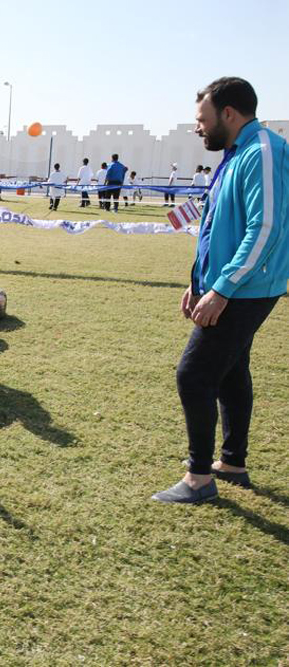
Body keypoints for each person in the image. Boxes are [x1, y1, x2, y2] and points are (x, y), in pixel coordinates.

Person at [152, 77, 289, 504]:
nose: (198, 127)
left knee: (193, 374)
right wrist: (198, 284)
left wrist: (223, 290)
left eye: (202, 119)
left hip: (247, 289)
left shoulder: (264, 152)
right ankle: (232, 464)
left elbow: (264, 230)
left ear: (228, 113)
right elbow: (214, 225)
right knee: (230, 372)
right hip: (230, 286)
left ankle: (198, 479)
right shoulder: (235, 155)